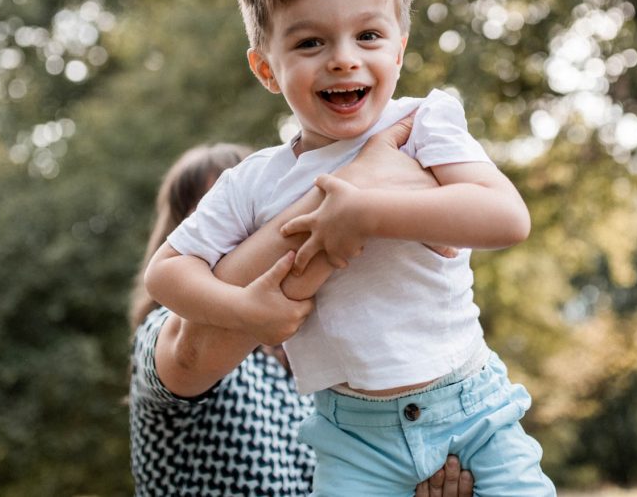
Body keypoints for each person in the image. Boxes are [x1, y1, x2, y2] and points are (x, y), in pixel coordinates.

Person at [144, 0, 555, 495]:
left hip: (471, 410)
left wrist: (366, 211)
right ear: (266, 68)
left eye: (368, 35)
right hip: (352, 435)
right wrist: (249, 314)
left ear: (399, 47)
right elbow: (167, 273)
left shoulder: (421, 125)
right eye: (310, 42)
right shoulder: (254, 183)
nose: (343, 58)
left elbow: (507, 218)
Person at [130, 138, 477, 496]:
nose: (238, 236)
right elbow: (186, 353)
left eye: (253, 219)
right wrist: (358, 181)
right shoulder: (157, 330)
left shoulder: (331, 359)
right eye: (210, 218)